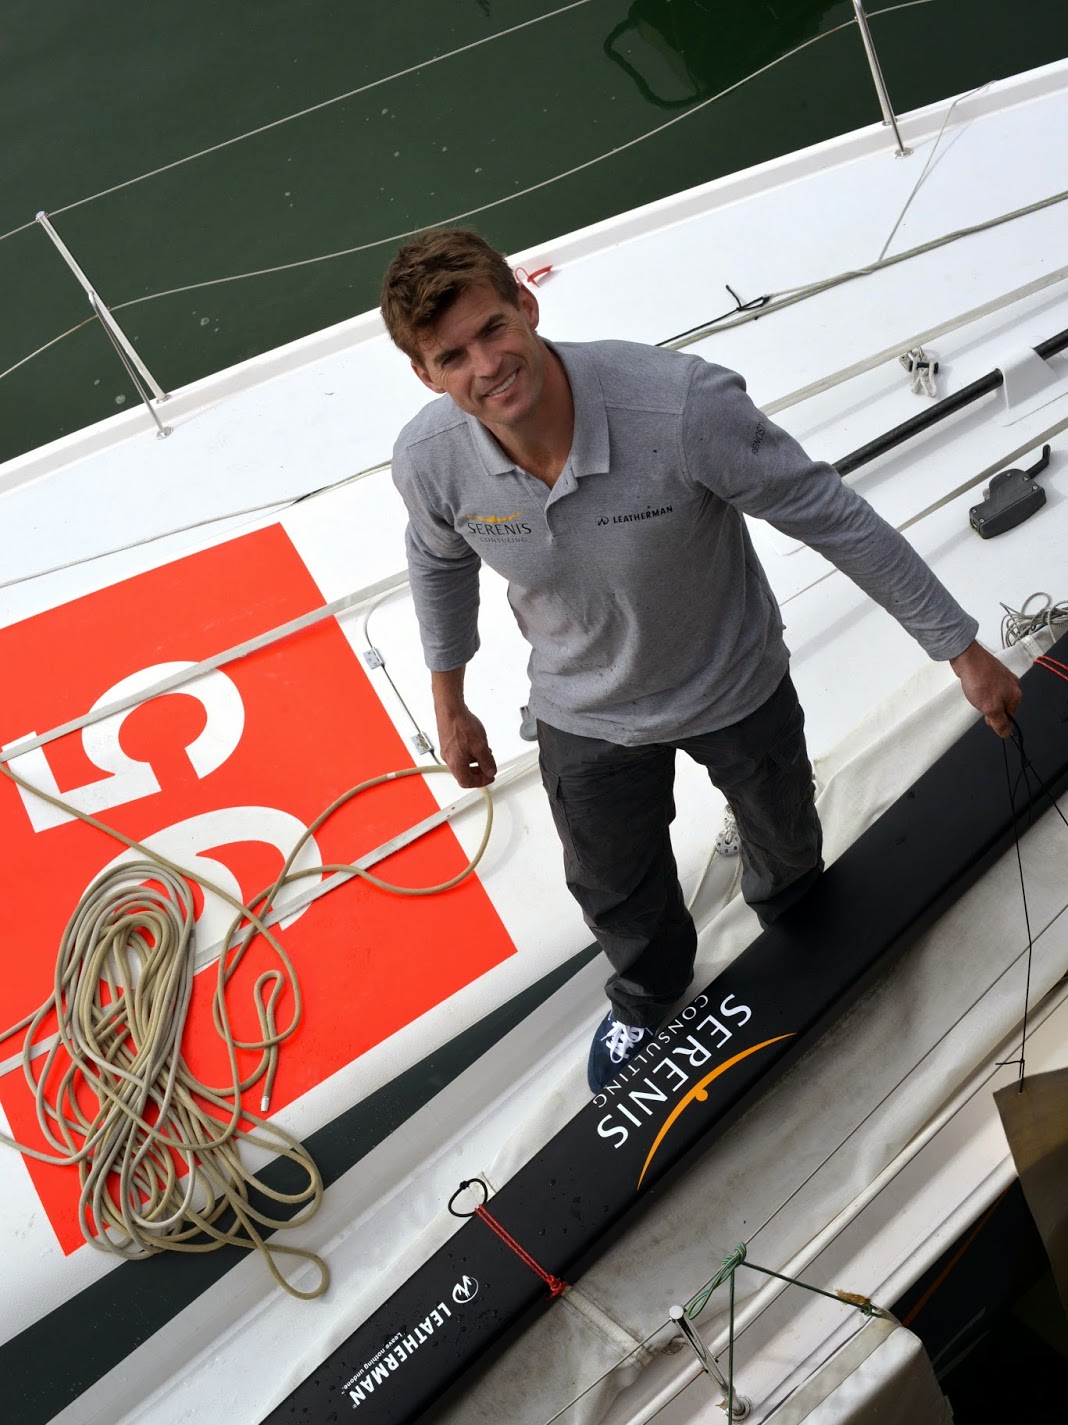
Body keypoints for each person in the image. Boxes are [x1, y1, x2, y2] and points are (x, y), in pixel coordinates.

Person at [380, 228, 1022, 1092]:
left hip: (734, 684)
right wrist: (448, 700)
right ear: (426, 375)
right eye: (451, 355)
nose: (486, 365)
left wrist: (960, 650)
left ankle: (796, 930)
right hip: (585, 710)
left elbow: (829, 515)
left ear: (528, 307)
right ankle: (648, 1000)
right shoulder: (430, 461)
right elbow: (438, 560)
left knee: (788, 842)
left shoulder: (682, 408)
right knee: (615, 891)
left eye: (494, 328)